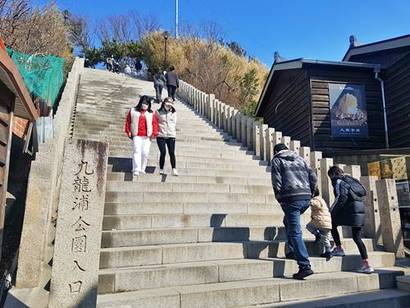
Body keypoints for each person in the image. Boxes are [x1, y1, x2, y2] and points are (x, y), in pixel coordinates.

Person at [271, 143, 317, 280]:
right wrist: (312, 192)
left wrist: (279, 197)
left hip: (291, 198)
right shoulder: (301, 159)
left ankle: (304, 266)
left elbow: (276, 180)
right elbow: (313, 176)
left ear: (276, 151)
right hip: (305, 197)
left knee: (295, 231)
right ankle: (291, 250)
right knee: (287, 221)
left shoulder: (277, 160)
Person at [327, 166, 374, 273]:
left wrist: (331, 212)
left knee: (332, 223)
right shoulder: (352, 180)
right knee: (357, 238)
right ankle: (366, 265)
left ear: (332, 174)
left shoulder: (338, 181)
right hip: (359, 210)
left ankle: (339, 248)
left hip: (349, 210)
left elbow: (341, 197)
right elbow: (363, 191)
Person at [124, 95, 158, 176]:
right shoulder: (133, 111)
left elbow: (154, 124)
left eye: (147, 104)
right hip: (137, 135)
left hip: (147, 136)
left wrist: (154, 133)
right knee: (136, 151)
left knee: (145, 152)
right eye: (143, 103)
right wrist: (128, 131)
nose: (145, 105)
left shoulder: (150, 113)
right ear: (140, 103)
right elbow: (128, 121)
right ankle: (136, 169)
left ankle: (143, 168)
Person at [306, 188, 332, 261]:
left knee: (309, 226)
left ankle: (318, 235)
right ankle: (328, 251)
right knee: (326, 238)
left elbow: (315, 204)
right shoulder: (322, 199)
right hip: (327, 222)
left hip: (320, 221)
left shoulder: (316, 199)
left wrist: (309, 201)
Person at [156, 97, 178, 176]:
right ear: (164, 104)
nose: (169, 106)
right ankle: (161, 168)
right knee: (163, 152)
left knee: (172, 152)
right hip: (161, 135)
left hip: (171, 135)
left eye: (170, 105)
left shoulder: (174, 113)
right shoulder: (158, 112)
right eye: (167, 105)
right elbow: (155, 122)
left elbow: (174, 123)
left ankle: (174, 169)